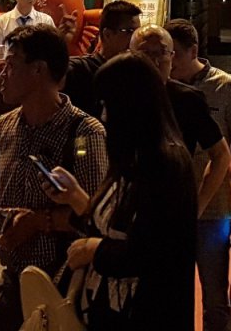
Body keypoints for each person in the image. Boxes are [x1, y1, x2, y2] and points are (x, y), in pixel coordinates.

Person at [45, 54, 197, 331]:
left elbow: (155, 251)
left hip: (146, 314)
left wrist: (95, 250)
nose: (104, 116)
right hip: (106, 310)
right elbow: (112, 227)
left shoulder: (167, 163)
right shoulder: (129, 158)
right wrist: (75, 196)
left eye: (108, 105)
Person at [0, 26, 108, 331]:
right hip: (12, 282)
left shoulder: (85, 133)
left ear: (38, 70)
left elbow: (96, 219)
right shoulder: (4, 126)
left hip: (60, 287)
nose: (2, 74)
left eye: (11, 65)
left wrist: (39, 222)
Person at [165, 19, 231, 331]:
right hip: (171, 208)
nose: (170, 61)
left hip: (213, 209)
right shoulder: (162, 88)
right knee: (172, 293)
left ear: (193, 51)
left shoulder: (224, 86)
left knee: (215, 295)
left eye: (174, 53)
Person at [129, 26, 231, 216]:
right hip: (127, 205)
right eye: (145, 53)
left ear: (172, 56)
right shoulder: (118, 95)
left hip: (172, 206)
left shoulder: (188, 100)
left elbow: (221, 154)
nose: (154, 61)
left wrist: (196, 208)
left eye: (161, 53)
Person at [64, 0, 141, 119]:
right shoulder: (79, 69)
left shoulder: (137, 73)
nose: (136, 39)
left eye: (138, 33)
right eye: (130, 32)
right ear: (107, 34)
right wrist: (61, 42)